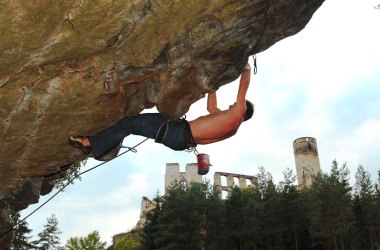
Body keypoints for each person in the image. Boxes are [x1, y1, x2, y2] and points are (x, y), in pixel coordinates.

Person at [68, 63, 254, 159]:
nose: (232, 105)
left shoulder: (237, 114)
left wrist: (246, 65)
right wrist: (214, 84)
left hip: (176, 132)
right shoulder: (229, 126)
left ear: (243, 111)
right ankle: (101, 143)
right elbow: (211, 108)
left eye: (237, 105)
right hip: (179, 137)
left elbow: (244, 84)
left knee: (128, 124)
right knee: (134, 122)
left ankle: (91, 143)